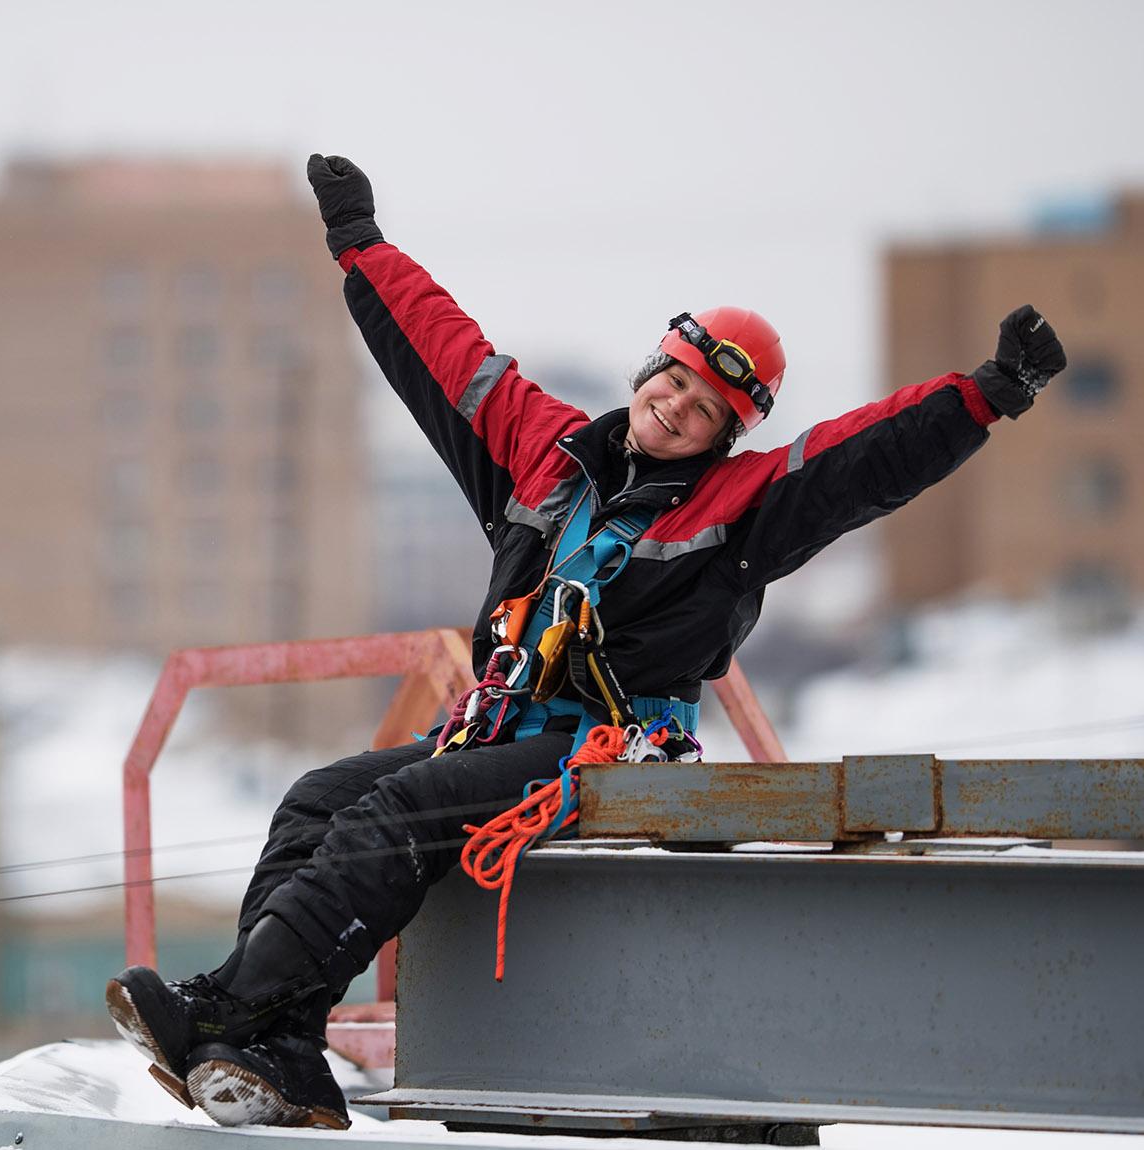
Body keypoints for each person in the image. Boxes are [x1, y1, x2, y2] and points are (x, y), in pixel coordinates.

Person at [106, 154, 1067, 1130]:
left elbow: (858, 460)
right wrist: (358, 243)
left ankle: (233, 1008)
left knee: (405, 804)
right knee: (318, 800)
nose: (678, 410)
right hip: (499, 738)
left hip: (609, 754)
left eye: (706, 414)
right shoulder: (545, 454)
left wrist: (987, 392)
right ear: (651, 369)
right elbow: (445, 352)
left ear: (723, 438)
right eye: (676, 383)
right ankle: (277, 1045)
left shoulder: (737, 513)